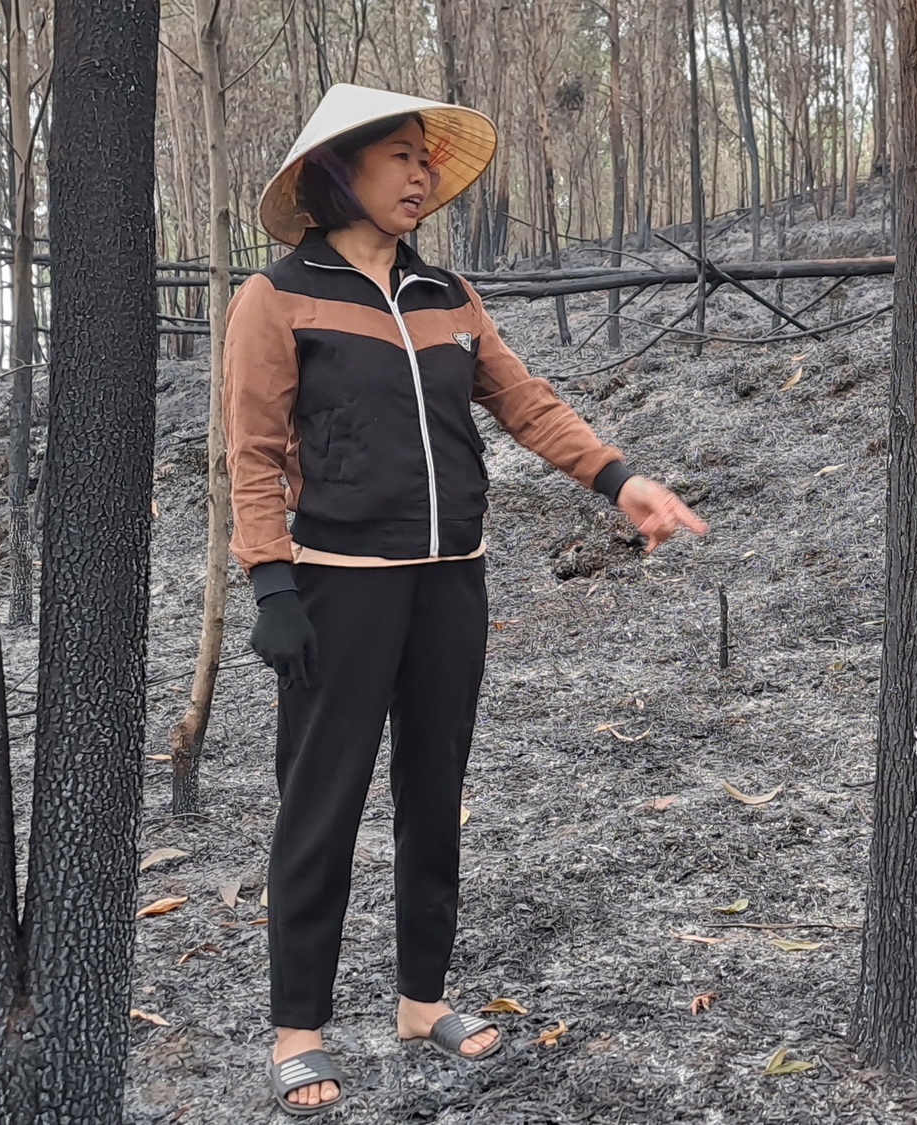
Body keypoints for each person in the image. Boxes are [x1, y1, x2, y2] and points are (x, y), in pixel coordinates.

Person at [225, 84, 708, 1116]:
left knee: (431, 797)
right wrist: (269, 582)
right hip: (336, 592)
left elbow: (522, 400)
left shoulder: (446, 292)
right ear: (337, 171)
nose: (421, 176)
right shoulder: (279, 296)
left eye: (424, 159)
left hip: (452, 585)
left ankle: (418, 1000)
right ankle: (298, 1029)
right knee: (322, 808)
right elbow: (253, 452)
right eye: (398, 156)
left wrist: (618, 478)